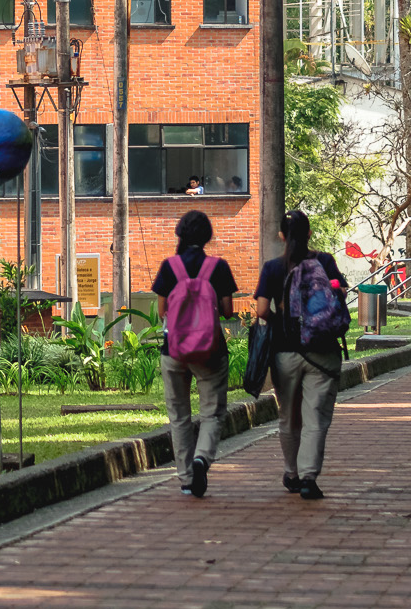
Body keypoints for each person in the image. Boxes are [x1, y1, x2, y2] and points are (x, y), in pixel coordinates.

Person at [255, 210, 351, 499]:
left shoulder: (272, 267)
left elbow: (260, 311)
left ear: (282, 235)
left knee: (288, 417)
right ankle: (309, 477)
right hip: (322, 352)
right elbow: (340, 293)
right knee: (315, 419)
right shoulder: (324, 261)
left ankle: (291, 473)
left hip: (285, 353)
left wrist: (282, 322)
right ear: (309, 233)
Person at [150, 210, 237, 497]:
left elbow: (162, 311)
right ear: (207, 236)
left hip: (173, 351)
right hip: (211, 351)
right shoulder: (218, 267)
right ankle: (202, 459)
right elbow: (227, 312)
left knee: (179, 416)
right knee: (212, 413)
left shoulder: (169, 267)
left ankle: (187, 479)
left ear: (180, 234)